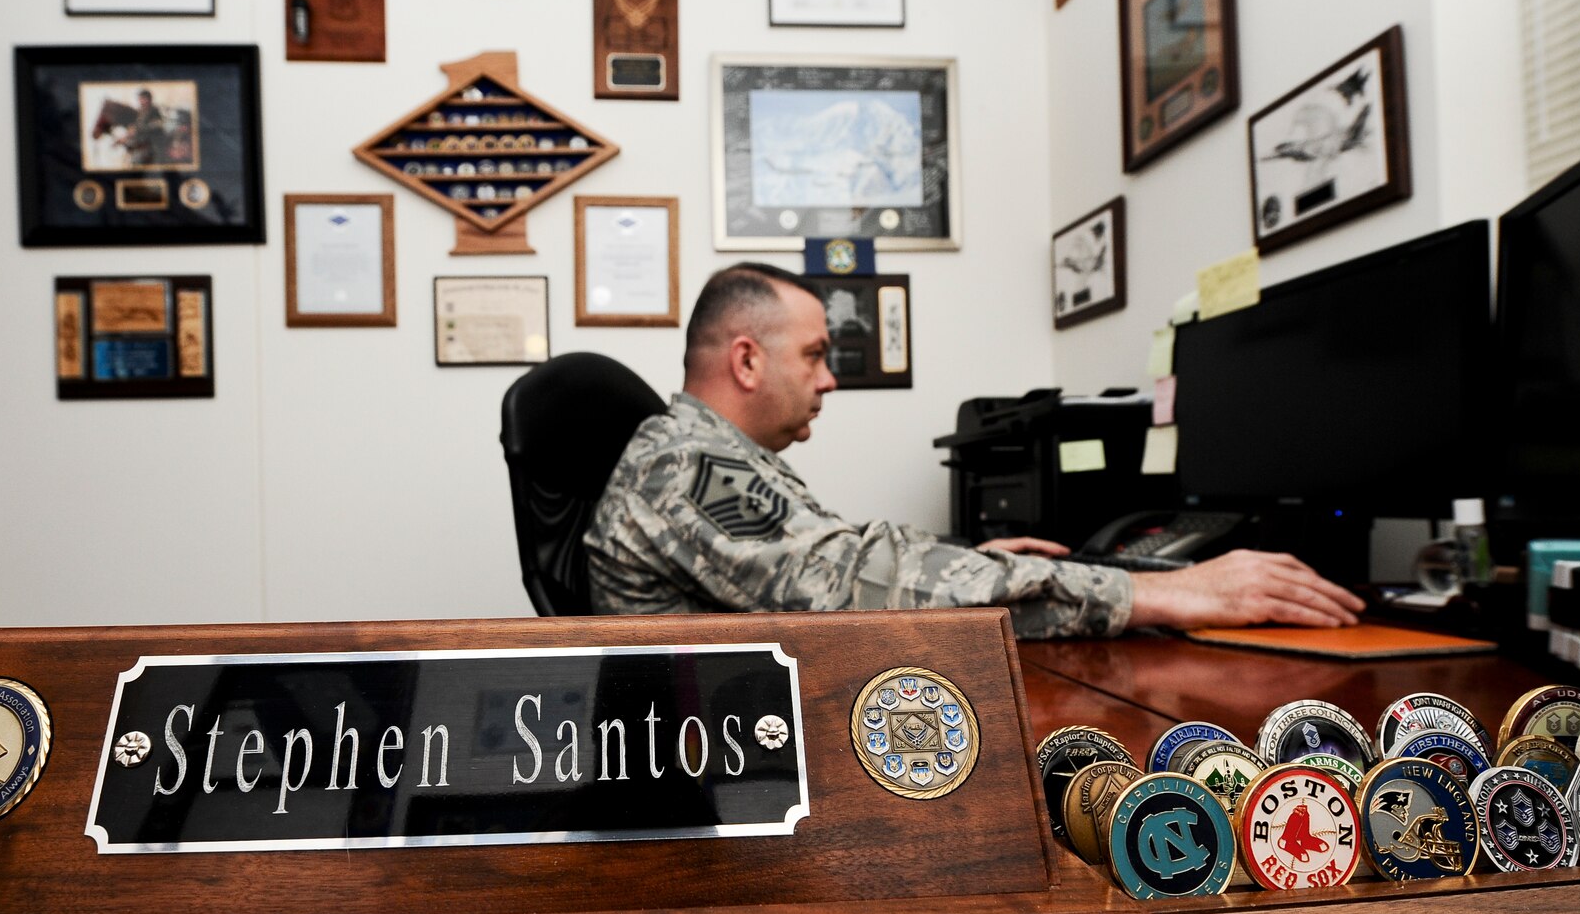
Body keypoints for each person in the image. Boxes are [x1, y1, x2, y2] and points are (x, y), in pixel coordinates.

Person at [585, 263, 1365, 638]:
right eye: (816, 355)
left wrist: (971, 561)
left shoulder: (712, 454)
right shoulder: (682, 464)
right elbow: (849, 583)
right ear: (748, 359)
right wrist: (1159, 593)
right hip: (728, 778)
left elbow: (833, 558)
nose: (828, 379)